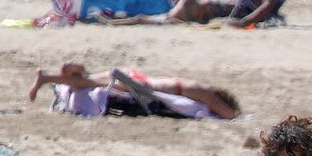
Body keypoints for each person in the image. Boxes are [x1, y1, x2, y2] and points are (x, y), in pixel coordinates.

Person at [28, 61, 242, 119]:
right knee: (92, 83)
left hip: (138, 79)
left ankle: (54, 75)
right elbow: (220, 108)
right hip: (142, 87)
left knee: (91, 79)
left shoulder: (190, 85)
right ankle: (55, 76)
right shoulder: (201, 90)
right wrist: (235, 116)